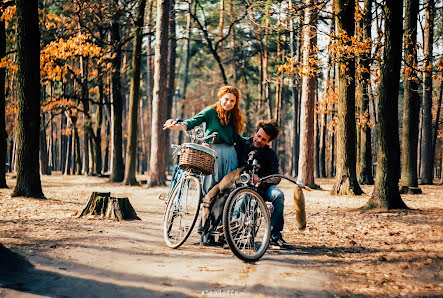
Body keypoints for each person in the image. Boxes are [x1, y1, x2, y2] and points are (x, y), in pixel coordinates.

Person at [163, 85, 246, 195]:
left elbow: (237, 137)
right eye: (226, 99)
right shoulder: (210, 112)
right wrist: (175, 125)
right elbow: (192, 122)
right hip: (212, 152)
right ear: (220, 97)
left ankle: (225, 211)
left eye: (232, 101)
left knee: (229, 187)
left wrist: (254, 141)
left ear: (236, 103)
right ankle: (207, 210)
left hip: (230, 154)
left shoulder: (234, 116)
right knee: (210, 186)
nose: (229, 103)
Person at [235, 119, 288, 247]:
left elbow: (277, 178)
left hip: (264, 189)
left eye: (264, 139)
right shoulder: (242, 145)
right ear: (255, 132)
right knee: (244, 198)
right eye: (258, 136)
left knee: (278, 195)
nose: (259, 140)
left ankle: (274, 235)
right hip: (243, 187)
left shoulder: (271, 154)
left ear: (268, 142)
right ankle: (232, 232)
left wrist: (262, 179)